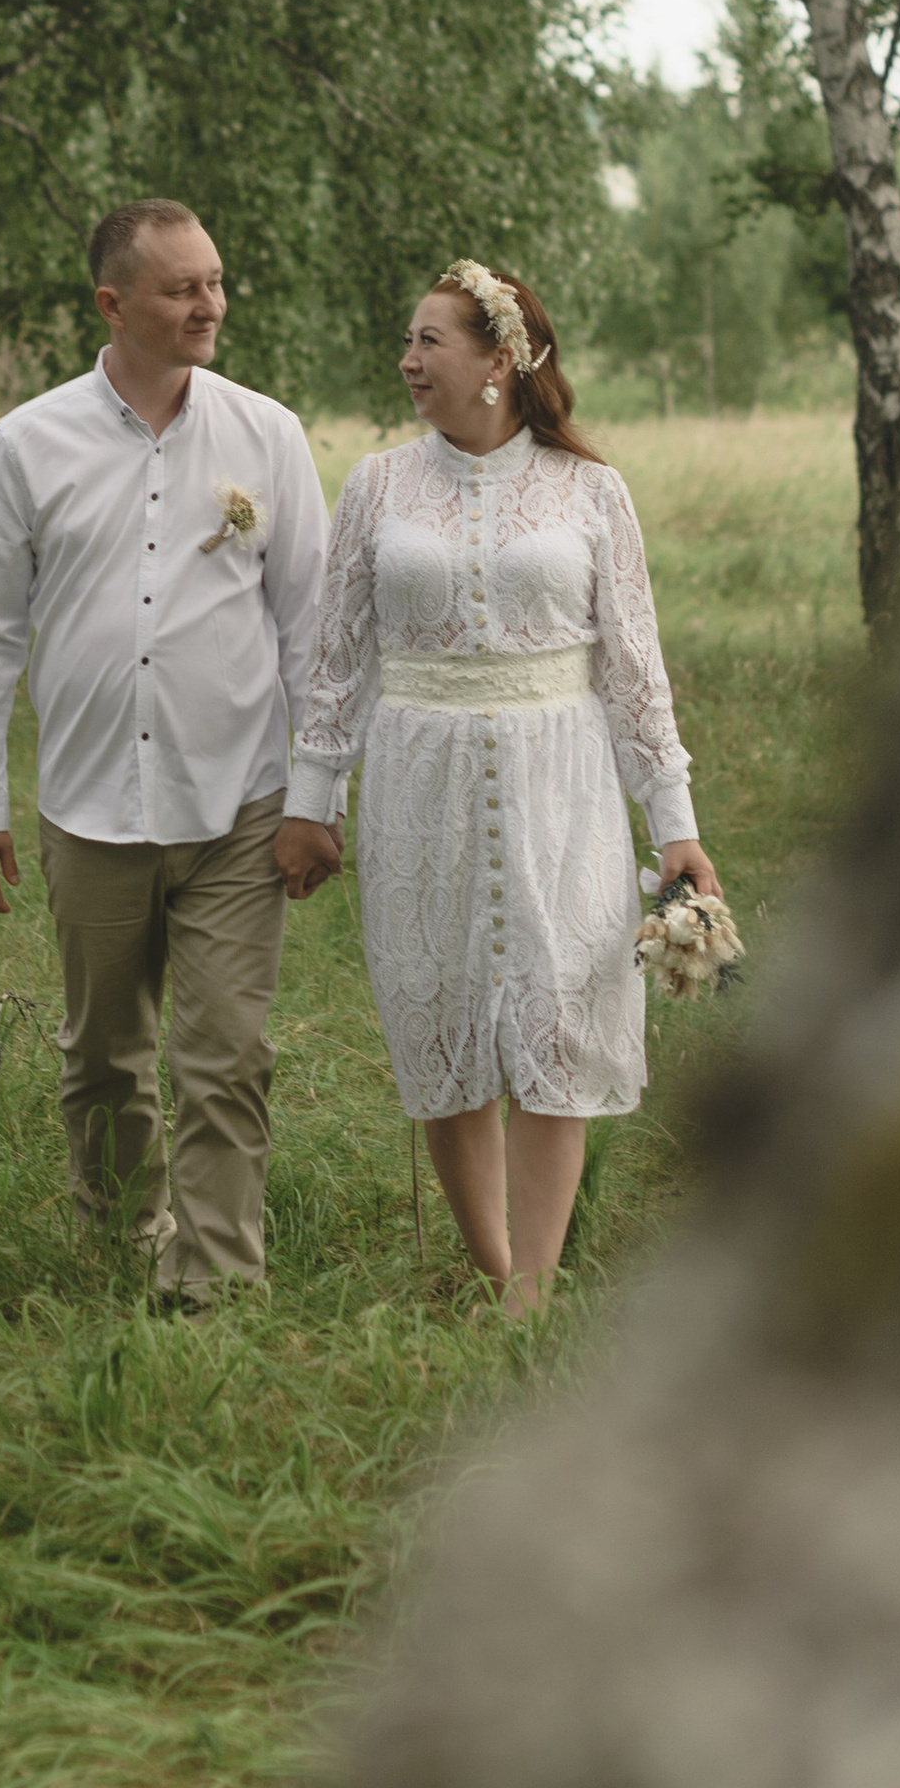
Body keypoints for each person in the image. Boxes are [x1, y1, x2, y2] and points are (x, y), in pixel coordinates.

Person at [276, 259, 717, 1318]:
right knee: (443, 1014)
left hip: (560, 776)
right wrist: (310, 797)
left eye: (429, 340)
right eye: (409, 340)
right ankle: (487, 1264)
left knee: (557, 1011)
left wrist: (675, 830)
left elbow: (634, 672)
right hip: (417, 775)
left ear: (500, 360)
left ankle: (534, 1284)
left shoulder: (588, 491)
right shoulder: (377, 485)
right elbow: (336, 659)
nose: (407, 359)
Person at [0, 201, 333, 1308]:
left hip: (240, 805)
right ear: (112, 304)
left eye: (214, 281)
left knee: (225, 1055)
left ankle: (211, 1283)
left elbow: (311, 627)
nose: (208, 303)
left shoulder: (269, 433)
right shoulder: (30, 441)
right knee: (105, 1057)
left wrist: (316, 791)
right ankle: (117, 1240)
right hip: (89, 804)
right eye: (180, 288)